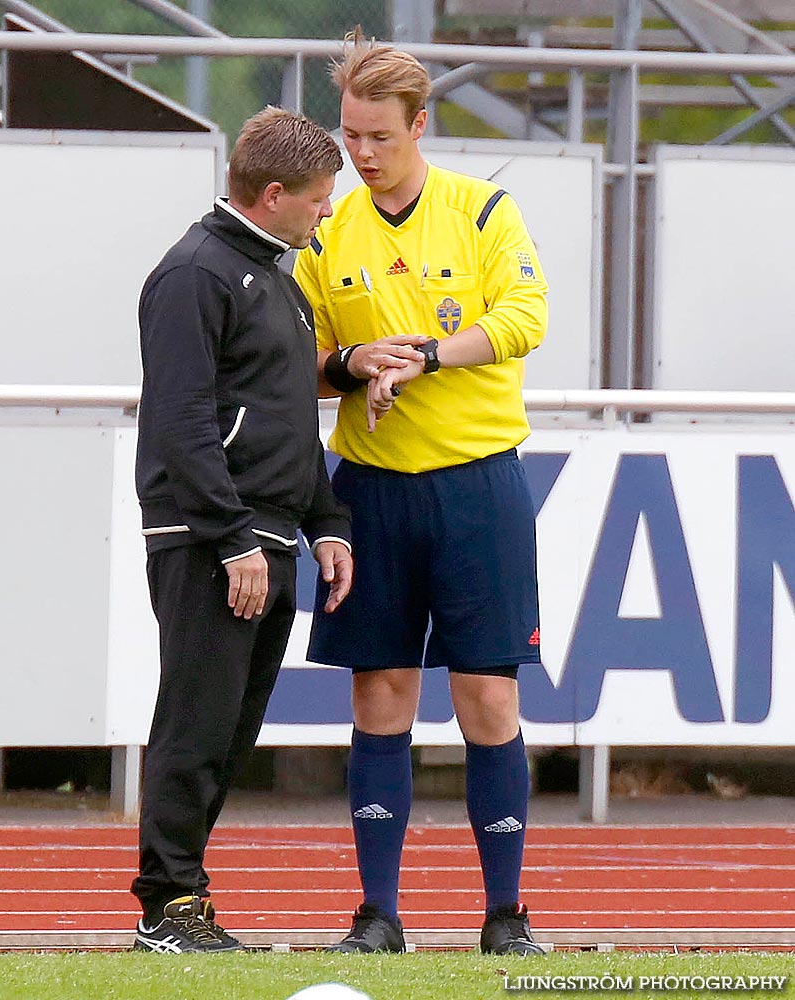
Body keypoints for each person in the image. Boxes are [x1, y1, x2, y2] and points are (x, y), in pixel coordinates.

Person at [293, 31, 548, 957]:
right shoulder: (327, 231)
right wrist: (355, 364)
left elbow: (526, 318)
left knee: (488, 697)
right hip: (374, 494)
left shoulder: (483, 213)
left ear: (420, 126)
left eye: (378, 138)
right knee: (382, 693)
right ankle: (378, 916)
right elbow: (303, 368)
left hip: (479, 485)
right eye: (350, 136)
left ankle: (507, 917)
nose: (361, 155)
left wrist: (429, 354)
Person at [132, 106, 353, 954]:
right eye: (319, 199)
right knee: (197, 718)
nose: (326, 213)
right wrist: (230, 538)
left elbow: (288, 422)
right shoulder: (196, 273)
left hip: (263, 531)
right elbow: (181, 421)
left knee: (229, 727)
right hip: (210, 536)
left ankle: (184, 898)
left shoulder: (273, 277)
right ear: (272, 195)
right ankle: (168, 907)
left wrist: (324, 522)